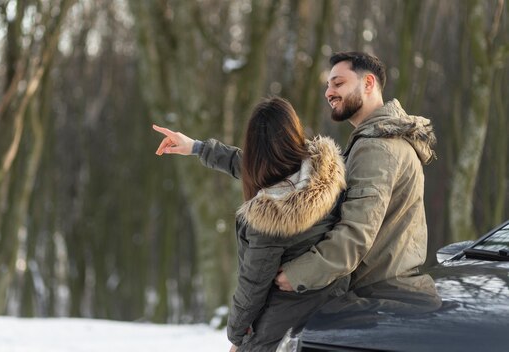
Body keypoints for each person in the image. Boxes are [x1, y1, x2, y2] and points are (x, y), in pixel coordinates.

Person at [154, 97, 349, 351]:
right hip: (332, 302)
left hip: (283, 325)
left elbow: (252, 287)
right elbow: (250, 166)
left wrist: (237, 337)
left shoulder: (270, 220)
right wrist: (197, 148)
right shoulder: (320, 175)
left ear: (257, 149)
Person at [274, 52, 436, 293]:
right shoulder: (383, 140)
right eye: (328, 85)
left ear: (368, 83)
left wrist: (298, 274)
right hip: (388, 293)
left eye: (338, 83)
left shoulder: (377, 146)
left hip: (380, 302)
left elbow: (356, 234)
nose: (328, 93)